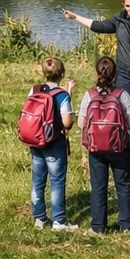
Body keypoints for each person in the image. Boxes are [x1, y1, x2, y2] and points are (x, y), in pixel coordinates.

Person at [75, 55, 130, 233]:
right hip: (119, 146)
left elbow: (81, 123)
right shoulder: (122, 94)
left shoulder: (89, 95)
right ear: (115, 74)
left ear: (97, 74)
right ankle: (127, 224)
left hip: (96, 148)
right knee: (123, 184)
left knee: (98, 186)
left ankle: (98, 226)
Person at [28, 57, 76, 231]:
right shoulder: (62, 95)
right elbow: (67, 123)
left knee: (37, 180)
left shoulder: (34, 90)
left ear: (44, 73)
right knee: (56, 181)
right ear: (61, 74)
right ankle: (59, 220)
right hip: (54, 141)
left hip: (35, 140)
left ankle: (39, 218)